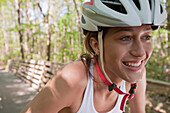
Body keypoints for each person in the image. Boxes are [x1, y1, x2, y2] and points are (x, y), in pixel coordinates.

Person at [21, 0, 167, 113]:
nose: (140, 53)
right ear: (96, 45)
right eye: (125, 38)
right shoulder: (74, 78)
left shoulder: (136, 74)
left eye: (146, 37)